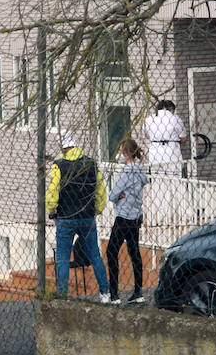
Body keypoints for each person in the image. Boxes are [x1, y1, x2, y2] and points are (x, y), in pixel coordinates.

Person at [45, 129, 110, 301]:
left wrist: (52, 212)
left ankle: (63, 295)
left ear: (62, 146)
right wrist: (96, 210)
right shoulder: (91, 164)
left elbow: (52, 192)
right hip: (87, 216)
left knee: (63, 258)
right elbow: (101, 191)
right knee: (95, 255)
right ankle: (105, 293)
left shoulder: (58, 165)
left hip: (65, 217)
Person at [106, 137, 149, 304]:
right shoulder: (139, 170)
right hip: (135, 216)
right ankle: (138, 291)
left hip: (123, 216)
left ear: (125, 153)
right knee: (134, 252)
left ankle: (114, 294)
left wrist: (120, 196)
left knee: (111, 251)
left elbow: (112, 195)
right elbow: (143, 183)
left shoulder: (126, 171)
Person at [143, 99, 188, 176]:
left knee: (157, 178)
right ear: (170, 108)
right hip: (172, 152)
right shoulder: (175, 118)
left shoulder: (149, 119)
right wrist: (174, 141)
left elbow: (146, 135)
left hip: (155, 153)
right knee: (175, 178)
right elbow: (183, 138)